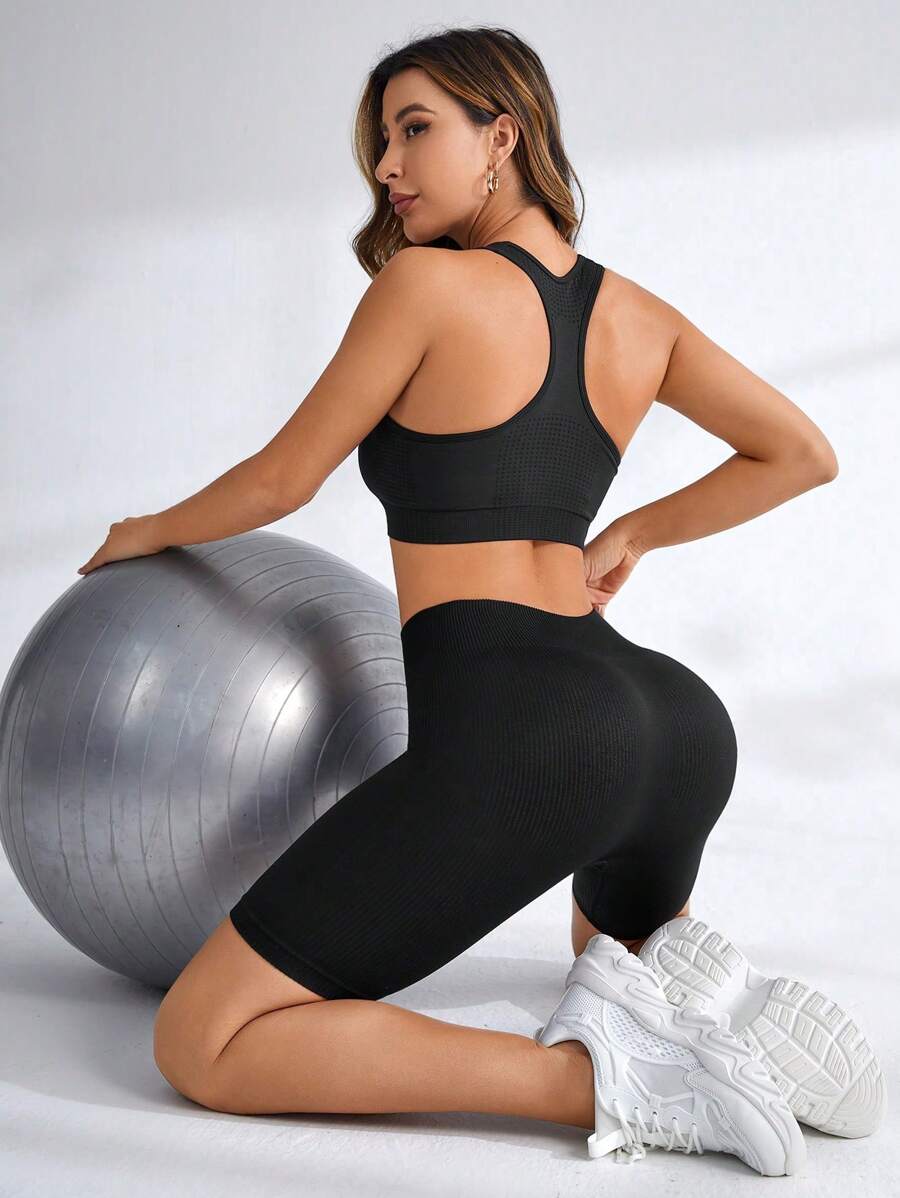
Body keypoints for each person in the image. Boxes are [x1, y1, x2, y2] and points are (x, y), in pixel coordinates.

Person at [125, 25, 838, 1157]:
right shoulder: (639, 316)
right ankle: (680, 1006)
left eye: (414, 130)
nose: (387, 167)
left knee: (201, 1041)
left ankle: (596, 1083)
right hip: (673, 725)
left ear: (501, 136)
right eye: (381, 142)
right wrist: (634, 534)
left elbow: (282, 479)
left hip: (527, 732)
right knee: (603, 967)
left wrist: (145, 531)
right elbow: (801, 452)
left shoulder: (425, 285)